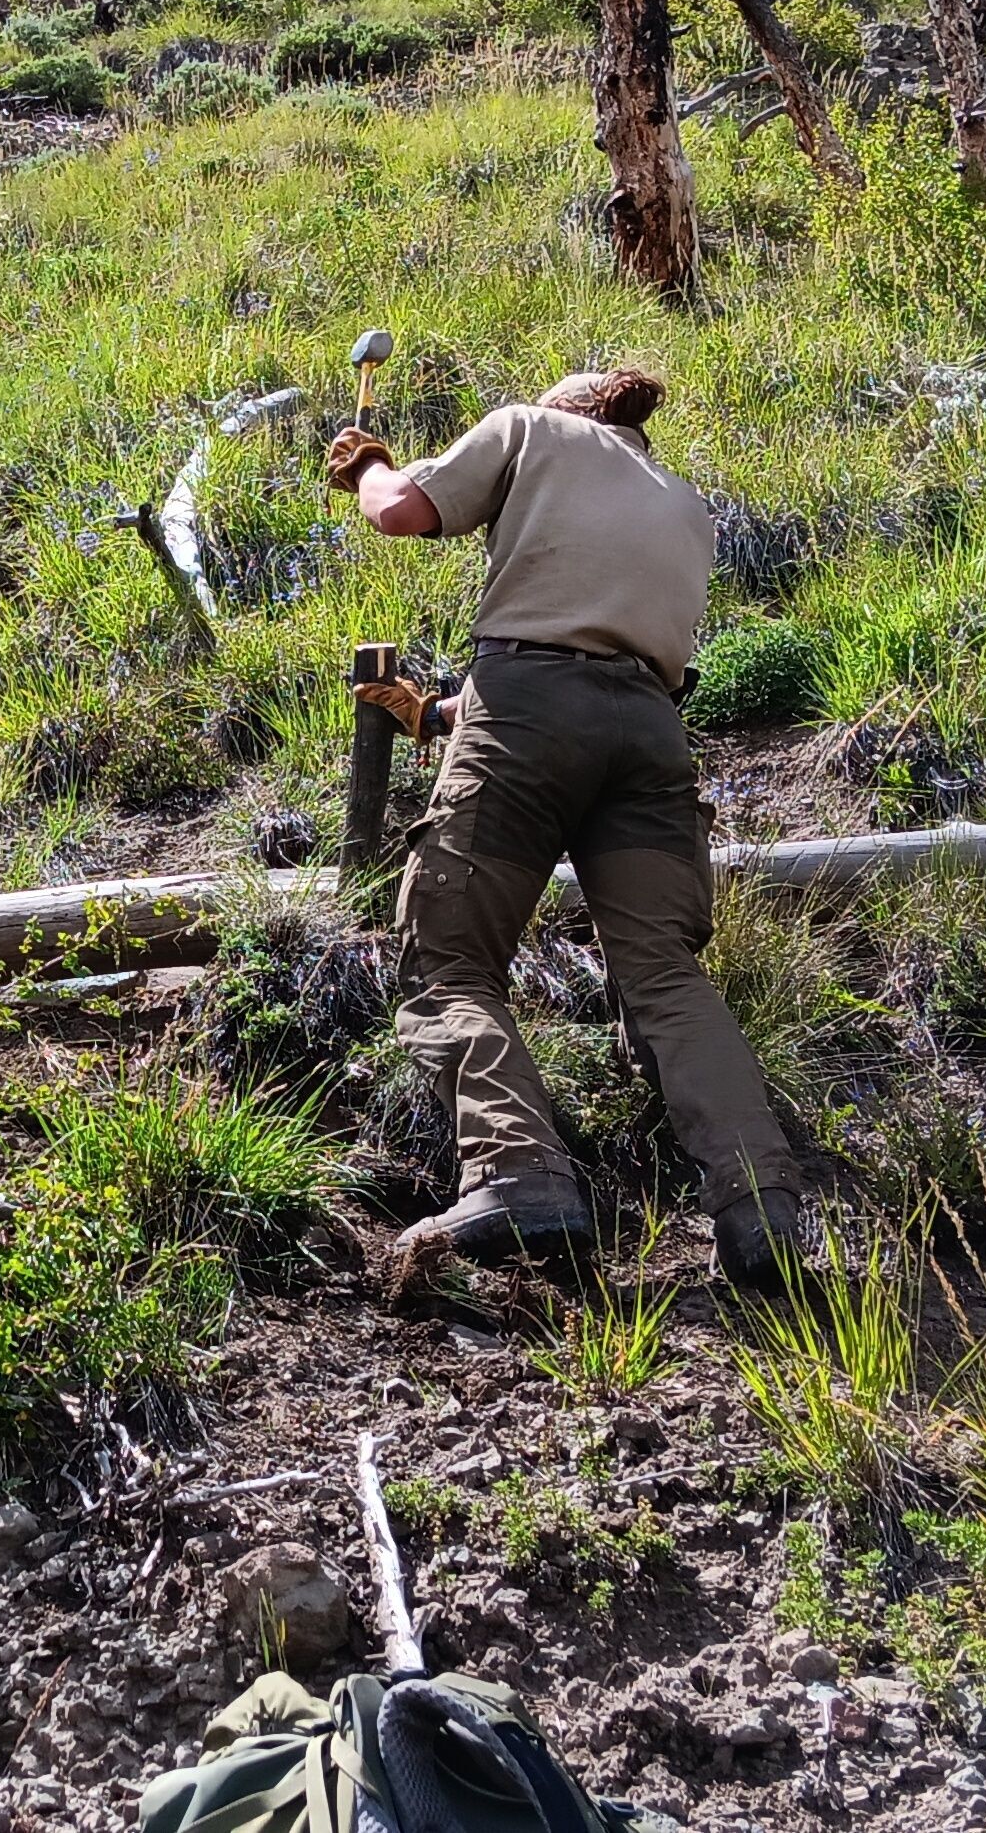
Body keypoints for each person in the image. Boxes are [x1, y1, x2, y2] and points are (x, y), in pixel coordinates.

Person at [324, 366, 808, 1285]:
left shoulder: (529, 430)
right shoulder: (684, 506)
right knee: (666, 978)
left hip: (528, 721)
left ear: (565, 411)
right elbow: (597, 666)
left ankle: (518, 1174)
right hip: (652, 738)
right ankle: (763, 1210)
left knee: (448, 961)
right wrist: (433, 716)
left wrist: (370, 468)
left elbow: (402, 516)